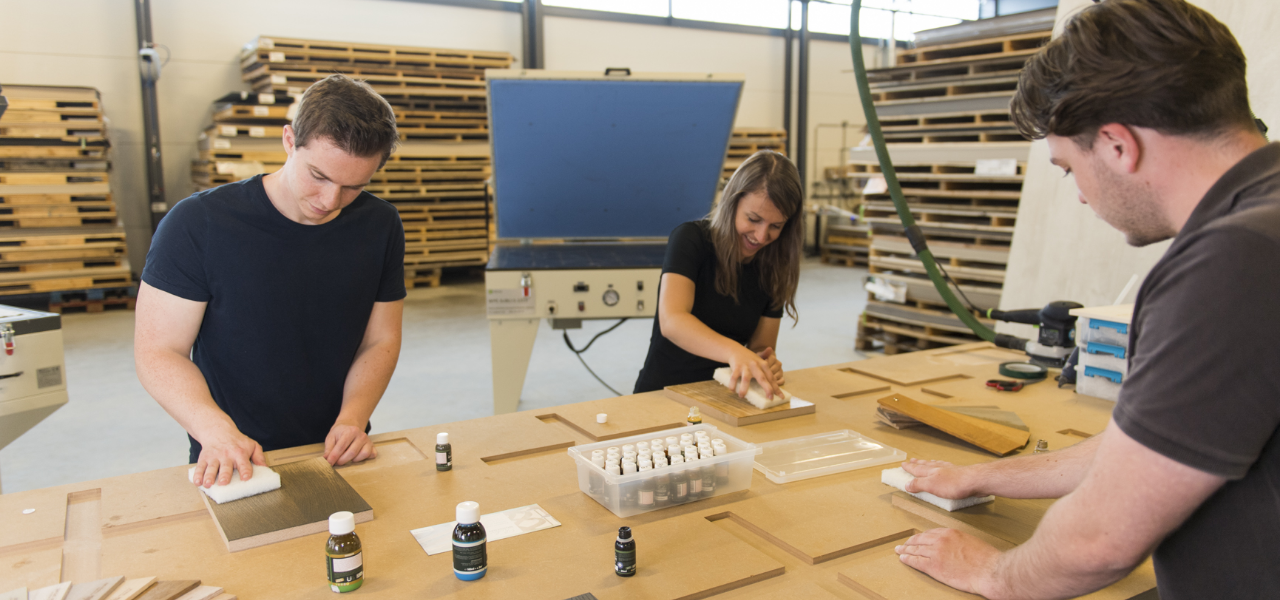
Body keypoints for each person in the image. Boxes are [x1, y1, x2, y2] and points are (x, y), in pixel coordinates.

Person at [888, 1, 1279, 598]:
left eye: (1069, 168)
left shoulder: (1232, 263)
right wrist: (984, 475)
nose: (1078, 197)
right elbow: (1152, 446)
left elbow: (1102, 541)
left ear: (1118, 146)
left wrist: (992, 571)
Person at [135, 74, 406, 489]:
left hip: (339, 448)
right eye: (318, 175)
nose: (329, 201)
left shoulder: (380, 225)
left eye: (354, 186)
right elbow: (159, 351)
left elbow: (380, 340)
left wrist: (353, 418)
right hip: (234, 456)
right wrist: (213, 429)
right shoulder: (198, 224)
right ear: (288, 141)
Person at [633, 150, 803, 398]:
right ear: (732, 202)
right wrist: (735, 352)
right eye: (753, 219)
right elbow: (672, 321)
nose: (761, 236)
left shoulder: (775, 265)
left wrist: (764, 363)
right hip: (663, 393)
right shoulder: (691, 239)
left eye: (775, 226)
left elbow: (759, 348)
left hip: (723, 397)